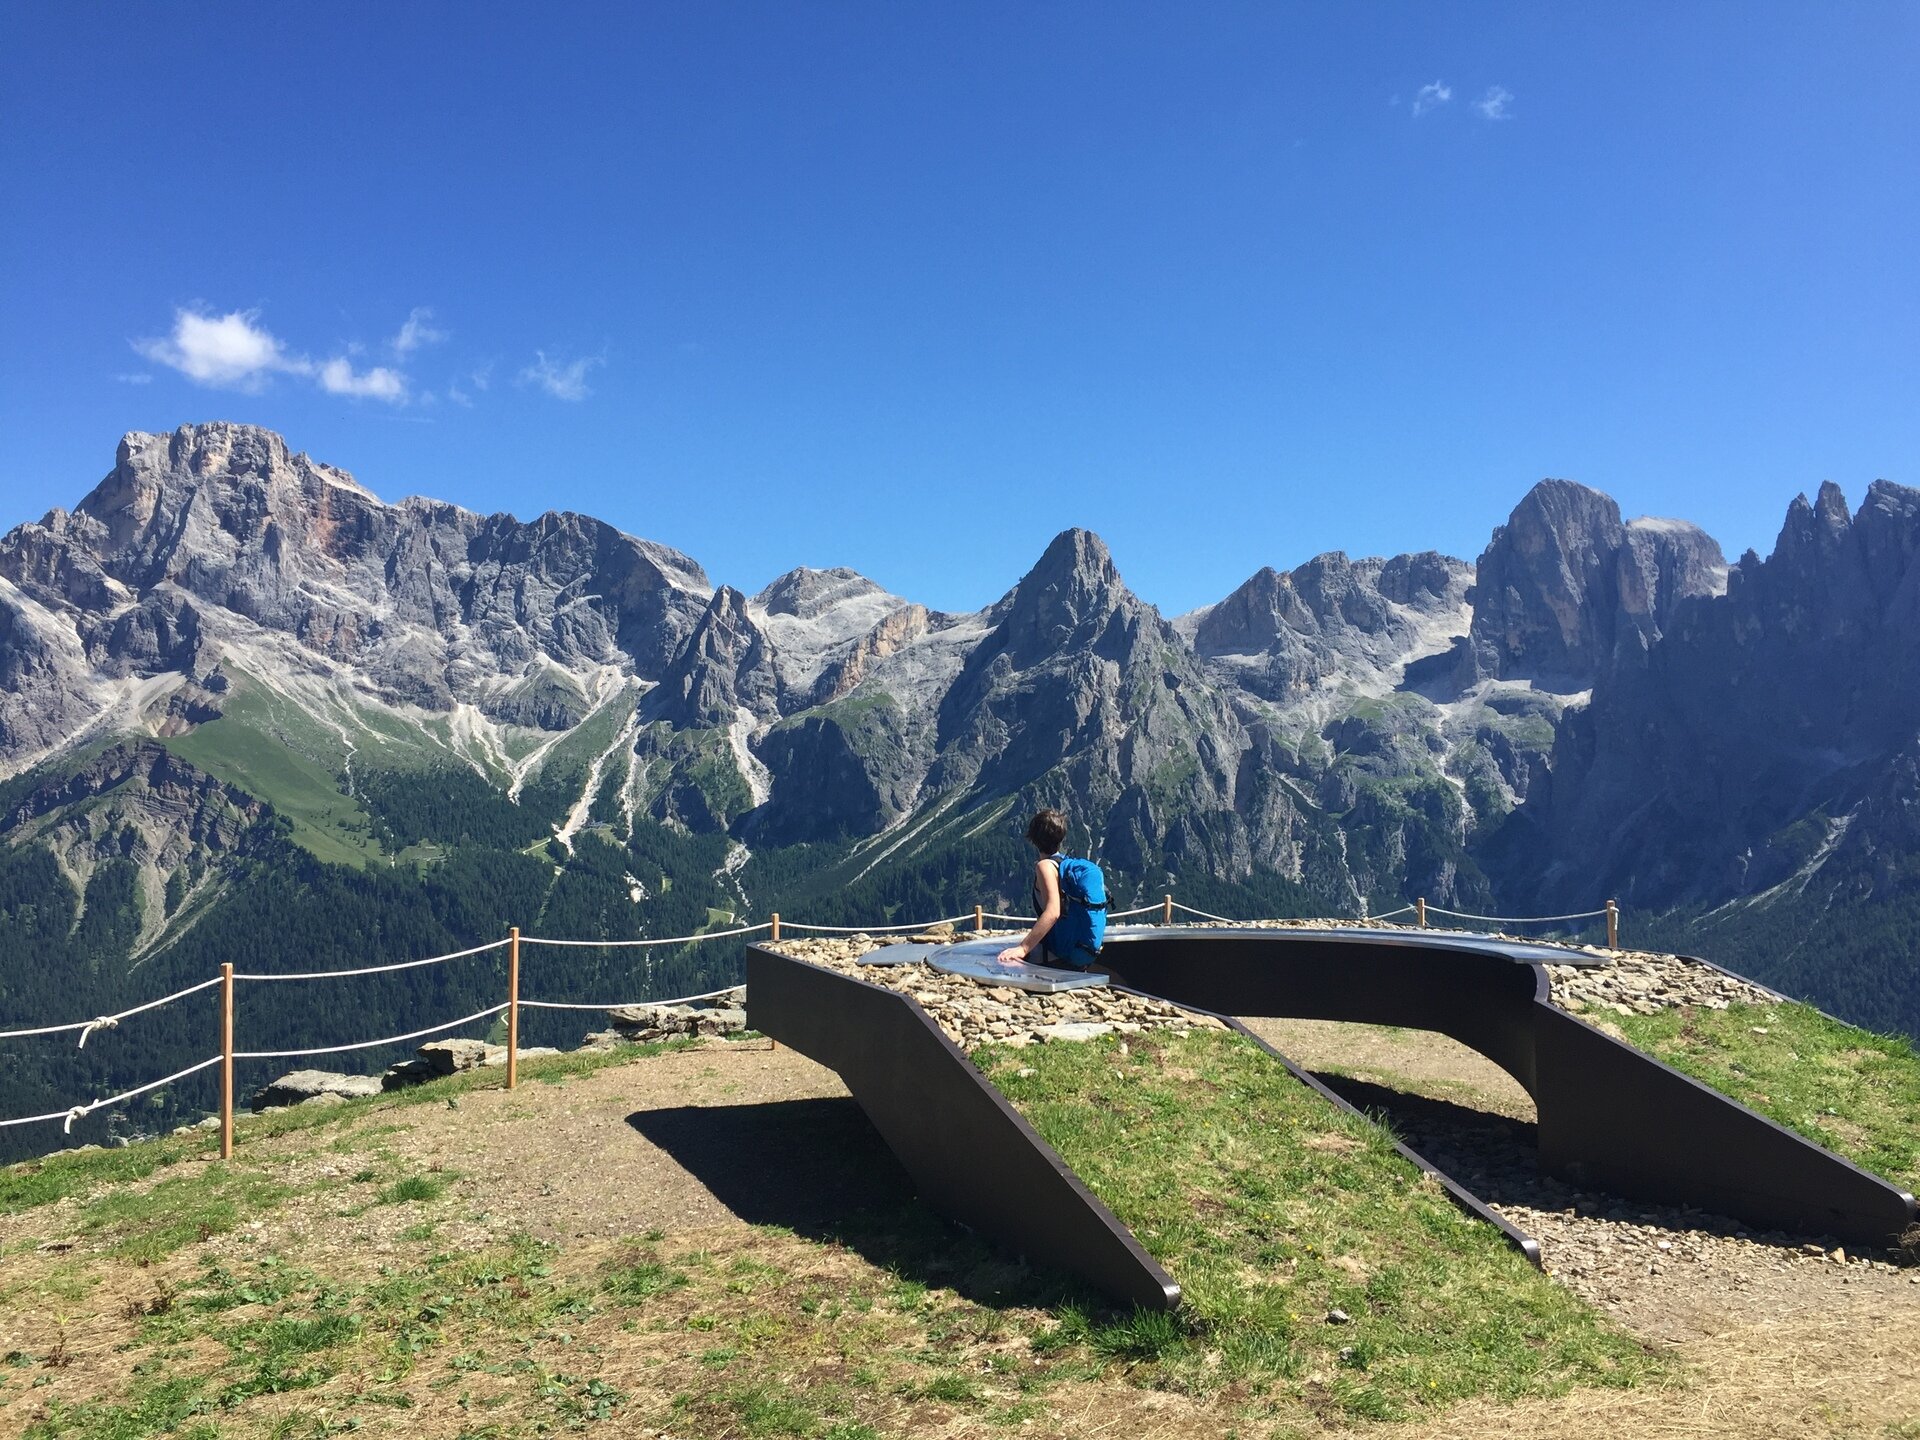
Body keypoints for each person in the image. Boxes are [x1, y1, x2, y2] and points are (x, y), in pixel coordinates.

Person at [996, 808, 1108, 970]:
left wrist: (1023, 948)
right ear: (1061, 838)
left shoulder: (1045, 866)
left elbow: (1053, 911)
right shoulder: (1064, 864)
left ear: (1033, 838)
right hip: (1077, 950)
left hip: (1055, 957)